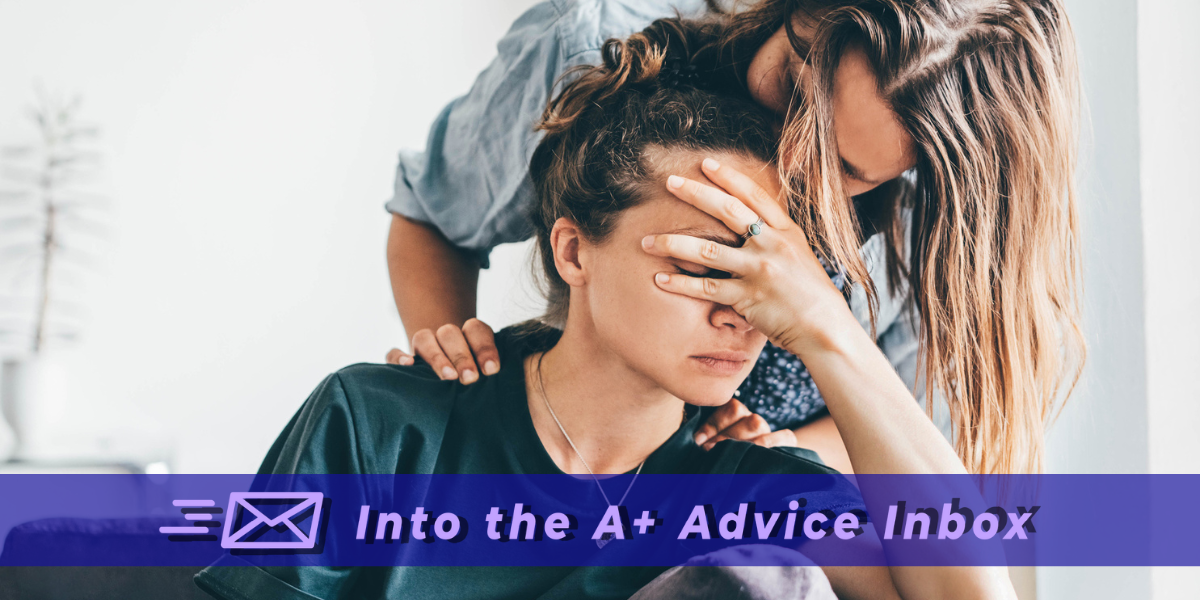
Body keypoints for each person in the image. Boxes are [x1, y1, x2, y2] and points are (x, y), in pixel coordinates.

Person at [194, 23, 1014, 599]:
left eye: (771, 279)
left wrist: (826, 328)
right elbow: (426, 220)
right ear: (574, 250)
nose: (744, 314)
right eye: (702, 263)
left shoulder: (760, 488)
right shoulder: (374, 425)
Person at [384, 0, 1085, 476]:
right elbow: (433, 217)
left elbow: (907, 434)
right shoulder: (591, 44)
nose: (787, 161)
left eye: (842, 168)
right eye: (791, 90)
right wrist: (460, 385)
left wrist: (774, 455)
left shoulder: (925, 224)